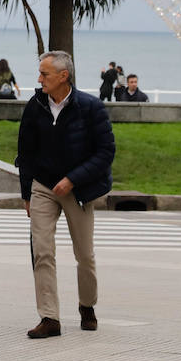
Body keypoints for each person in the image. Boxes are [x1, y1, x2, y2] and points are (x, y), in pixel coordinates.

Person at [17, 50, 115, 339]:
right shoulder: (35, 105)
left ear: (64, 76)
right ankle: (49, 317)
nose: (39, 79)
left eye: (44, 74)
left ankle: (87, 306)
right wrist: (27, 194)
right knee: (42, 251)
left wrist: (73, 179)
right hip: (43, 186)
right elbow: (25, 153)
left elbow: (106, 152)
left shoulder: (91, 107)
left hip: (80, 189)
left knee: (84, 254)